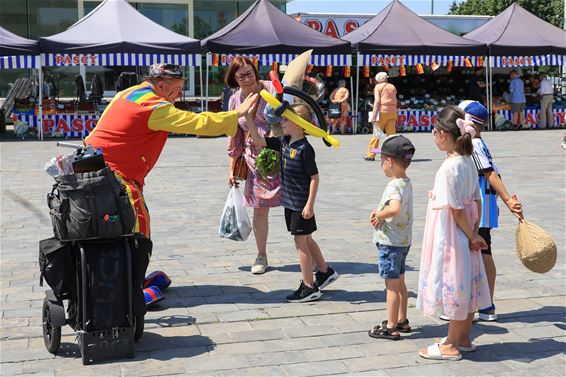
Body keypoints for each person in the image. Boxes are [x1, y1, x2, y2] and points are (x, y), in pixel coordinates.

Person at [85, 63, 258, 262]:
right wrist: (237, 113)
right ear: (160, 85)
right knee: (137, 221)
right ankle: (133, 277)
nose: (178, 95)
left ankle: (125, 275)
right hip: (113, 173)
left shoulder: (129, 93)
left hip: (94, 166)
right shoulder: (152, 106)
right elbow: (197, 123)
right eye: (176, 90)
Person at [417, 106, 490, 361]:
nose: (433, 135)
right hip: (467, 228)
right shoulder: (468, 160)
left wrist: (470, 235)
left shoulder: (449, 167)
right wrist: (475, 230)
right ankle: (463, 337)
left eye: (434, 131)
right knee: (467, 285)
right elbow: (476, 201)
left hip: (452, 233)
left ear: (444, 135)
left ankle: (450, 344)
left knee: (454, 285)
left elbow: (456, 209)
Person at [247, 103, 339, 302]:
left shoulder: (305, 149)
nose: (282, 122)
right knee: (306, 239)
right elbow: (257, 140)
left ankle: (309, 287)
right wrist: (248, 118)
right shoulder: (284, 142)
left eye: (287, 119)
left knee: (300, 243)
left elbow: (314, 178)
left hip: (301, 205)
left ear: (298, 124)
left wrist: (309, 205)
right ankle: (324, 272)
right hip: (290, 203)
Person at [462, 100, 523, 321]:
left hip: (479, 207)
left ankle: (484, 304)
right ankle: (485, 304)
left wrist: (507, 200)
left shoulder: (475, 145)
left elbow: (490, 174)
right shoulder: (479, 142)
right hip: (484, 205)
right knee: (483, 251)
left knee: (481, 252)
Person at [226, 56, 281, 275]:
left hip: (280, 153)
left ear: (256, 72)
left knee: (297, 209)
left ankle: (309, 252)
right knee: (260, 211)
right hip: (253, 160)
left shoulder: (272, 91)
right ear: (234, 79)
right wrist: (232, 168)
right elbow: (235, 136)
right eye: (241, 76)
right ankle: (262, 254)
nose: (247, 79)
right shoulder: (234, 100)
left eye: (250, 73)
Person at [367, 135, 415, 340]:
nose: (381, 165)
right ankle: (403, 319)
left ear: (389, 162)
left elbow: (394, 208)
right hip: (403, 241)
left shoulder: (394, 185)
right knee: (401, 283)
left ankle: (392, 325)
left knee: (391, 287)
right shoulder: (406, 182)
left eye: (381, 160)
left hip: (391, 243)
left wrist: (379, 214)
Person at [365, 72, 397, 161]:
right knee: (391, 135)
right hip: (393, 111)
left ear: (378, 79)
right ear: (386, 78)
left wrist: (374, 115)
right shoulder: (392, 87)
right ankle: (392, 155)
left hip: (383, 111)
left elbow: (377, 101)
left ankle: (371, 154)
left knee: (377, 134)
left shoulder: (378, 87)